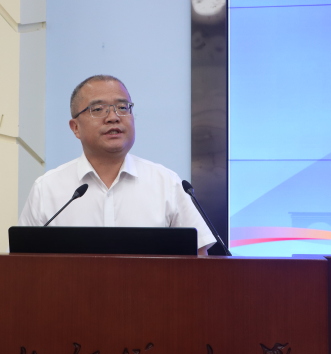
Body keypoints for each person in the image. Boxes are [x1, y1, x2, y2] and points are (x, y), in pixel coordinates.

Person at [17, 75, 216, 255]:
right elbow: (22, 261)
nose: (113, 117)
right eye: (98, 109)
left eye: (122, 107)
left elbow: (198, 255)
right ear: (75, 127)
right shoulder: (47, 188)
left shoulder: (166, 183)